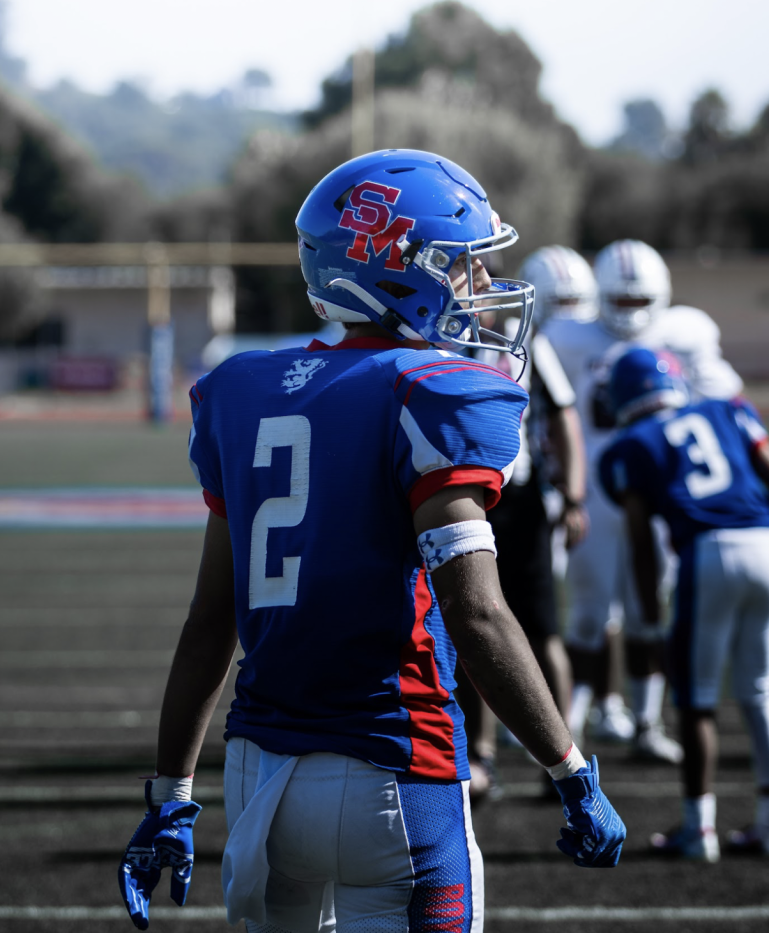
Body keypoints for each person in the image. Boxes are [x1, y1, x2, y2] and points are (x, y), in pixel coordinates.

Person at [118, 149, 625, 933]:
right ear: (400, 271)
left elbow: (208, 622)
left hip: (258, 774)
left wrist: (171, 793)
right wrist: (568, 769)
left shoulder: (243, 390)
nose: (485, 291)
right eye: (464, 268)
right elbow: (477, 616)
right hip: (395, 767)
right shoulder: (434, 394)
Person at [542, 239, 742, 761]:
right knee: (587, 615)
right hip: (597, 497)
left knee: (647, 613)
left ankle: (647, 723)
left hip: (654, 496)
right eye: (621, 301)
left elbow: (724, 397)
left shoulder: (684, 333)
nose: (631, 314)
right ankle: (573, 731)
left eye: (640, 302)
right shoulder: (569, 335)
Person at [599, 346, 769, 861]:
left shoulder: (630, 445)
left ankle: (699, 829)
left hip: (708, 552)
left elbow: (638, 536)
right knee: (760, 688)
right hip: (764, 540)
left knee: (695, 700)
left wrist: (648, 613)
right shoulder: (727, 406)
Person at [459, 246, 592, 799]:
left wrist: (576, 495)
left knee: (542, 630)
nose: (487, 288)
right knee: (469, 624)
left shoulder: (523, 339)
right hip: (462, 497)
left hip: (520, 498)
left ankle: (563, 753)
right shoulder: (431, 345)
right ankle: (480, 755)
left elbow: (562, 414)